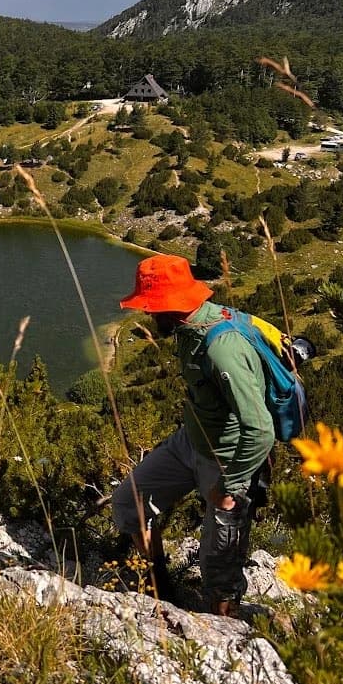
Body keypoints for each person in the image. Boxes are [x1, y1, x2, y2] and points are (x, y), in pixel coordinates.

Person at [110, 254, 274, 617]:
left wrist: (230, 487)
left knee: (219, 566)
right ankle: (160, 591)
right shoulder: (189, 329)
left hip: (227, 460)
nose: (148, 315)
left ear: (170, 306)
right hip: (191, 442)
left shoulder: (221, 349)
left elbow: (261, 429)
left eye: (152, 307)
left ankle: (224, 629)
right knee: (128, 503)